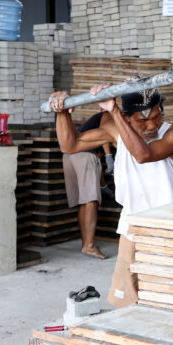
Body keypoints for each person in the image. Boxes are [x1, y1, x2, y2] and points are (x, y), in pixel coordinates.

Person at [49, 83, 173, 308]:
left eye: (156, 116)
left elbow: (143, 154)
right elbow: (70, 145)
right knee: (127, 297)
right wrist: (62, 112)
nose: (151, 125)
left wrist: (113, 110)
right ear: (127, 118)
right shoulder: (117, 132)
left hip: (171, 226)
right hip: (132, 226)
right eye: (142, 120)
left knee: (172, 293)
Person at [61, 111, 112, 260]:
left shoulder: (89, 124)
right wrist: (109, 156)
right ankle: (89, 246)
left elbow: (98, 161)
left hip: (69, 156)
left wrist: (103, 185)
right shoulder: (108, 115)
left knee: (84, 202)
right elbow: (105, 133)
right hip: (84, 155)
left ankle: (86, 244)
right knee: (91, 201)